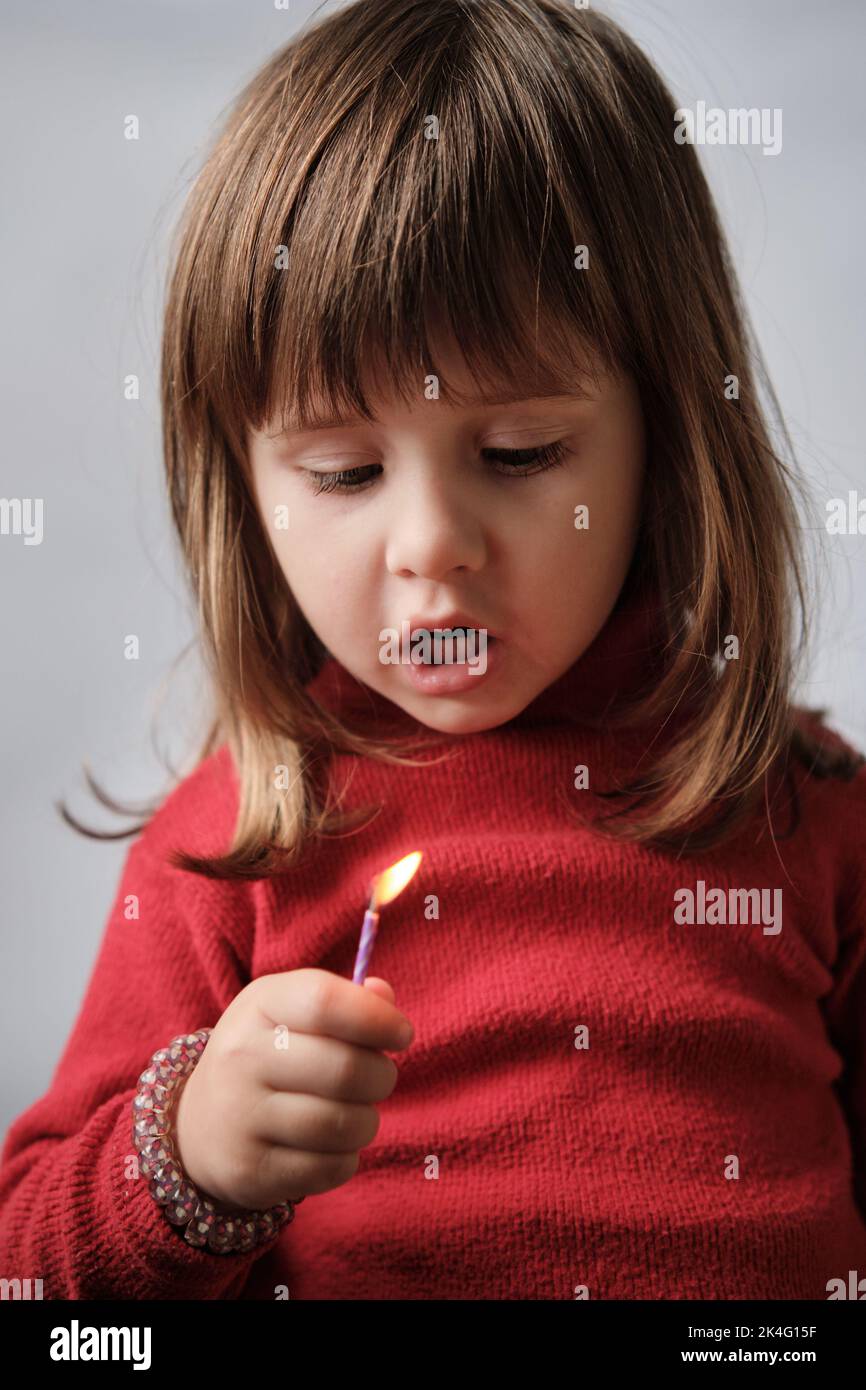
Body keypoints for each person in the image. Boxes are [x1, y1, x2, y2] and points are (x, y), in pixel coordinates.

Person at [2, 0, 865, 1300]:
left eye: (518, 455)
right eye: (344, 469)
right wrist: (185, 1158)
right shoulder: (232, 845)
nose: (431, 545)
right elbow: (26, 1262)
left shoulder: (805, 808)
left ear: (667, 441)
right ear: (247, 490)